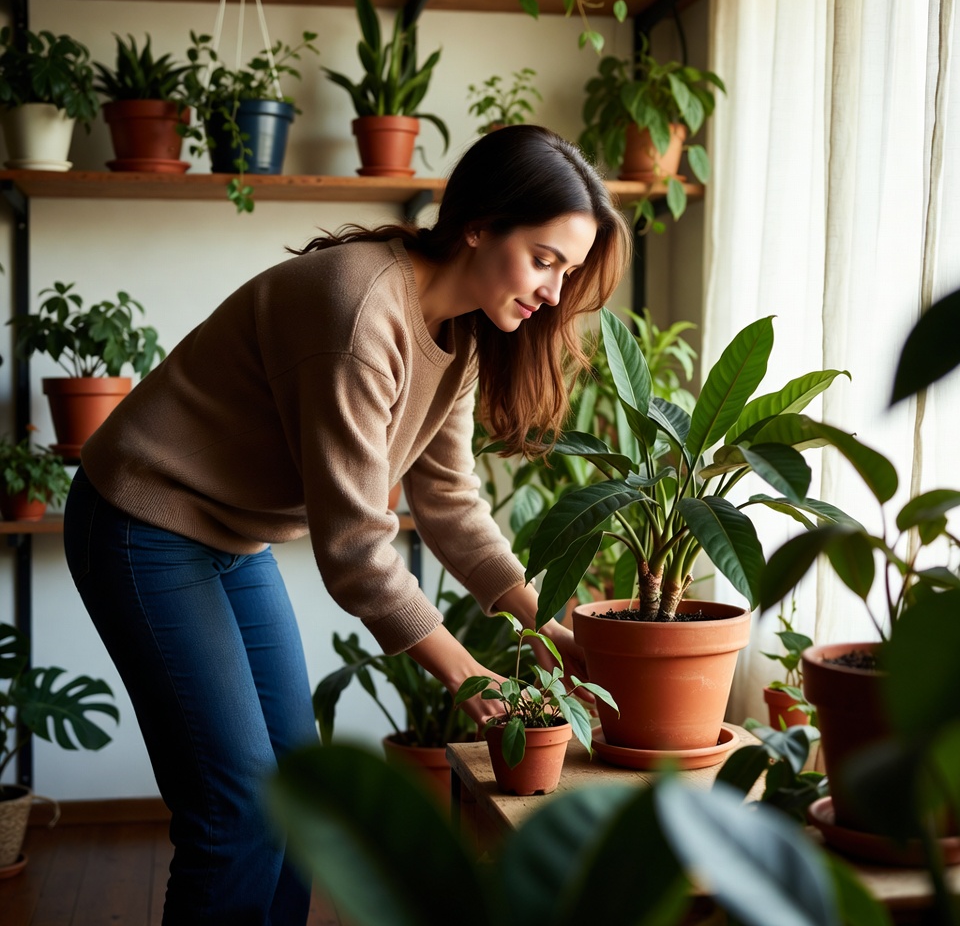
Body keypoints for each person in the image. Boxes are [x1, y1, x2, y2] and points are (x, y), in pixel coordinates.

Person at [62, 124, 632, 925]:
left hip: (231, 537)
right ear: (479, 224)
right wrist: (472, 678)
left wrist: (556, 634)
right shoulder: (361, 310)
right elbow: (357, 549)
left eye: (567, 273)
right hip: (142, 522)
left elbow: (449, 503)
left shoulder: (464, 332)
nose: (553, 293)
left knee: (303, 801)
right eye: (544, 260)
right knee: (236, 815)